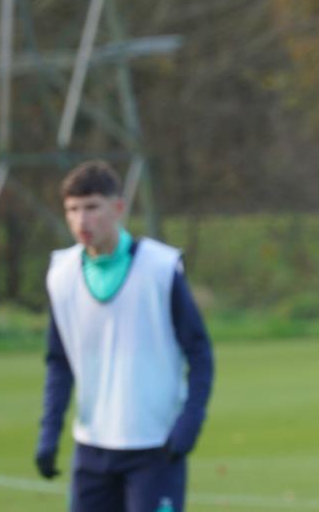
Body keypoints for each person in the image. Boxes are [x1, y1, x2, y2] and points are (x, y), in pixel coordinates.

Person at [35, 161, 214, 512]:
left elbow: (200, 352)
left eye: (92, 207)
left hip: (155, 447)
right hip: (91, 448)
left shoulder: (160, 268)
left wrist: (190, 422)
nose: (82, 220)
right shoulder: (61, 273)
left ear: (118, 208)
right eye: (72, 209)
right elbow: (59, 362)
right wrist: (49, 432)